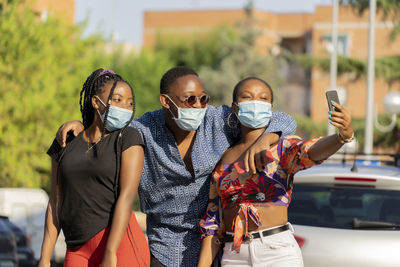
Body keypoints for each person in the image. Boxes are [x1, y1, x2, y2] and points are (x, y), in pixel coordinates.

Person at [56, 67, 297, 266]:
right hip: (164, 248)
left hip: (215, 246)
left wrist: (268, 138)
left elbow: (282, 119)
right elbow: (107, 134)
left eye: (203, 99)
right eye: (189, 99)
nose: (198, 106)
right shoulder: (143, 131)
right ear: (166, 101)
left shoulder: (218, 121)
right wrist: (80, 125)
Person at [198, 77, 354, 267]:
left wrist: (341, 138)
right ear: (235, 107)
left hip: (277, 252)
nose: (255, 102)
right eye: (247, 97)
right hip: (234, 255)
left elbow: (310, 151)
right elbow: (213, 223)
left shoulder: (283, 147)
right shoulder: (223, 158)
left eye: (263, 98)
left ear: (271, 108)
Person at [38, 69, 150, 267]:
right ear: (96, 102)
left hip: (120, 244)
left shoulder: (128, 138)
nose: (125, 107)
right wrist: (45, 258)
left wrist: (110, 253)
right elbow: (55, 202)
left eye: (130, 102)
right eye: (117, 100)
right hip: (77, 249)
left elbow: (127, 196)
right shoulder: (65, 141)